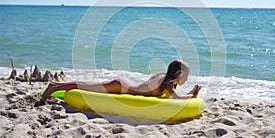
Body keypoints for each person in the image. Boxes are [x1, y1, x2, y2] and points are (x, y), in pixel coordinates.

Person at [41, 59, 201, 102]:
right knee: (84, 86)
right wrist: (193, 95)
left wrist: (191, 93)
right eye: (186, 75)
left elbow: (176, 96)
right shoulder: (167, 85)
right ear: (179, 74)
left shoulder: (166, 81)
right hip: (121, 87)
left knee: (86, 86)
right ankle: (54, 87)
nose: (187, 79)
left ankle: (55, 87)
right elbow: (178, 98)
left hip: (125, 84)